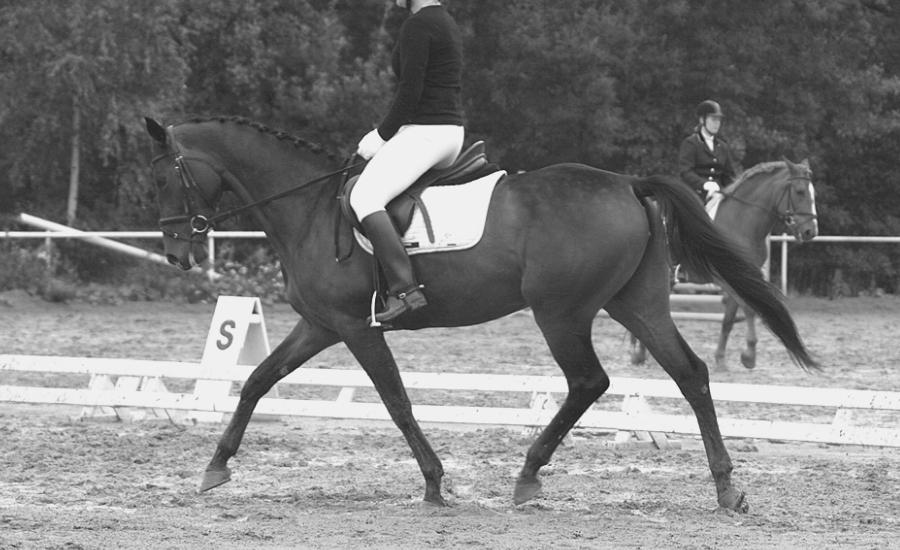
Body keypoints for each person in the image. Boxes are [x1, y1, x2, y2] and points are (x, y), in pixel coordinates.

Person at [349, 0, 464, 324]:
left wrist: (381, 135)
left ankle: (403, 289)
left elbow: (410, 90)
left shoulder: (419, 24)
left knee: (364, 197)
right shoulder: (445, 21)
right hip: (448, 132)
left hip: (428, 133)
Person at [678, 100, 740, 201]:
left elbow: (728, 176)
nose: (717, 123)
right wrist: (704, 184)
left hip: (718, 195)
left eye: (719, 120)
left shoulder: (722, 146)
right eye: (713, 119)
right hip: (695, 196)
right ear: (702, 120)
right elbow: (686, 172)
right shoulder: (691, 143)